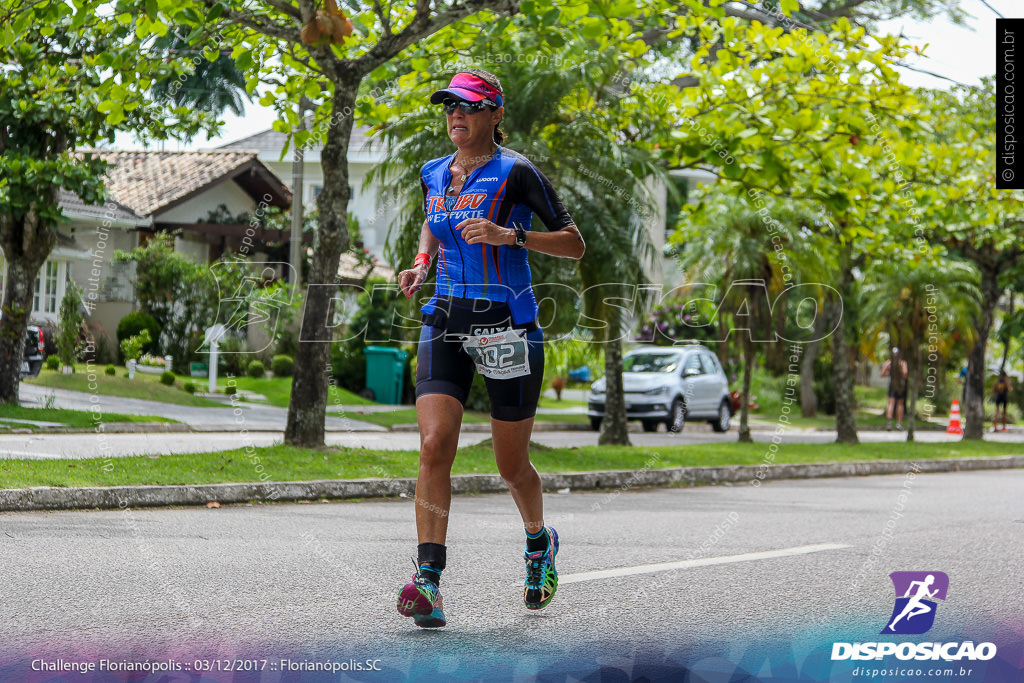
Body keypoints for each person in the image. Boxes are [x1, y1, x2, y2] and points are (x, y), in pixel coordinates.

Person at [394, 69, 586, 628]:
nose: (456, 114)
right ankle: (428, 581)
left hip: (508, 324)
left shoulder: (518, 172)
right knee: (434, 445)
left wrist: (511, 236)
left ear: (495, 113)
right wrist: (422, 263)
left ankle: (537, 544)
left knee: (510, 464)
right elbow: (433, 224)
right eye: (450, 106)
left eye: (469, 106)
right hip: (446, 319)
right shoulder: (434, 172)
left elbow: (574, 245)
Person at [880, 347, 908, 431]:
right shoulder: (902, 363)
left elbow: (882, 374)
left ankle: (889, 423)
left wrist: (889, 373)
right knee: (900, 404)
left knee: (891, 404)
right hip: (900, 385)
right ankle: (898, 424)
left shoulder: (889, 363)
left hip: (892, 385)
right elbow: (905, 374)